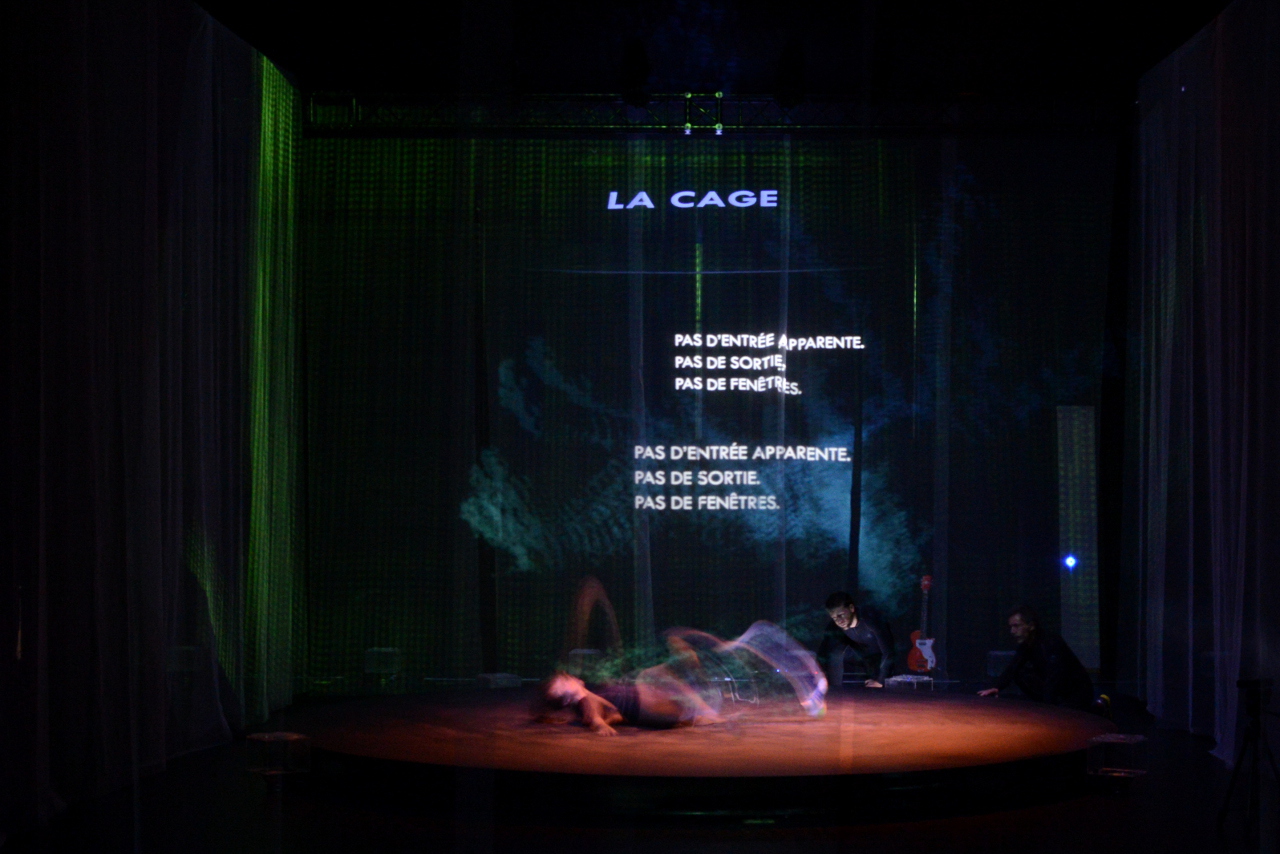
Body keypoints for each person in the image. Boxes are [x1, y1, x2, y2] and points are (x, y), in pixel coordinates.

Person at [978, 606, 1094, 711]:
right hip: (1059, 694)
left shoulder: (1050, 642)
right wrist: (996, 687)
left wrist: (1048, 707)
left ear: (1031, 626)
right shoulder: (1027, 645)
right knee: (1021, 674)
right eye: (1011, 627)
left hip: (1076, 694)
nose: (1012, 631)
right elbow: (1012, 668)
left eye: (1016, 626)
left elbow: (1055, 676)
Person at [819, 591, 893, 689]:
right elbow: (823, 652)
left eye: (841, 615)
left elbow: (888, 652)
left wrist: (881, 681)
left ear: (851, 608)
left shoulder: (870, 621)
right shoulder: (834, 627)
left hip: (886, 669)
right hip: (865, 668)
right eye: (834, 617)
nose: (839, 621)